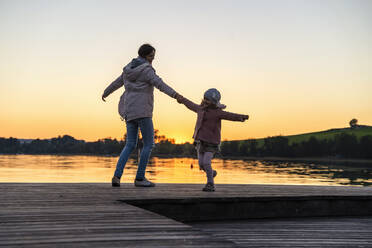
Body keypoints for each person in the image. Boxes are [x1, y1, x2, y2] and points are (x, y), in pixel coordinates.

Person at [102, 44, 180, 187]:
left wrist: (106, 92)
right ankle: (139, 178)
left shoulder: (128, 69)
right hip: (143, 111)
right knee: (149, 144)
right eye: (151, 57)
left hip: (129, 110)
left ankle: (117, 176)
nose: (152, 60)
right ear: (145, 56)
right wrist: (175, 95)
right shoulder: (146, 71)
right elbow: (161, 85)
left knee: (130, 144)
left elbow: (116, 83)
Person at [176, 88, 249, 191]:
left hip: (211, 143)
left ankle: (210, 184)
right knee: (201, 165)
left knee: (206, 162)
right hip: (200, 142)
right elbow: (190, 104)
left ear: (214, 102)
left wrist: (241, 117)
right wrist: (182, 99)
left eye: (208, 100)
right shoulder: (200, 109)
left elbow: (229, 115)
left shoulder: (217, 112)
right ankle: (212, 173)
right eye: (205, 98)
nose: (205, 101)